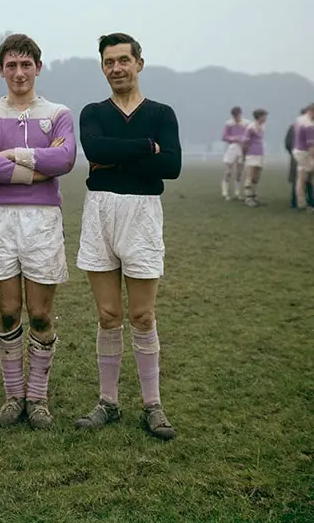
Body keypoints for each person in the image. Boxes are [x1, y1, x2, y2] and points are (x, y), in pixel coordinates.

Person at [74, 32, 181, 440]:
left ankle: (153, 405)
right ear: (103, 67)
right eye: (108, 62)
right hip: (99, 211)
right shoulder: (93, 111)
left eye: (123, 60)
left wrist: (117, 155)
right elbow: (93, 149)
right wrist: (145, 148)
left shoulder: (162, 113)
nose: (116, 68)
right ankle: (108, 402)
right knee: (108, 315)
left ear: (139, 62)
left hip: (142, 215)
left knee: (141, 315)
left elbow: (171, 167)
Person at [0, 33, 77, 429]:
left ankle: (38, 398)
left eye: (26, 64)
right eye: (11, 65)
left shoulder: (59, 113)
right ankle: (14, 395)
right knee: (8, 310)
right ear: (1, 70)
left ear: (38, 67)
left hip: (43, 220)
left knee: (40, 313)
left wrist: (15, 155)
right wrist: (38, 168)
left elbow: (66, 158)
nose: (19, 72)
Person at [290, 103, 314, 211]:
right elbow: (311, 146)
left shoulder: (299, 120)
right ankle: (308, 203)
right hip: (304, 153)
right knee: (308, 178)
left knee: (301, 179)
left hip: (297, 151)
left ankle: (301, 202)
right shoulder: (309, 125)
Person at [240, 109, 268, 207]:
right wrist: (244, 155)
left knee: (257, 176)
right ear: (259, 117)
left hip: (260, 154)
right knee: (250, 176)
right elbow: (244, 142)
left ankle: (254, 196)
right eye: (264, 116)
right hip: (251, 154)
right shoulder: (251, 127)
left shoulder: (262, 127)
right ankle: (248, 198)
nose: (265, 118)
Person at [220, 106, 247, 200]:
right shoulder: (229, 124)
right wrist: (236, 138)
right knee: (228, 171)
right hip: (232, 148)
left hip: (242, 148)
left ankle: (237, 192)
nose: (236, 117)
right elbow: (224, 137)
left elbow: (248, 136)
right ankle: (225, 191)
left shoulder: (246, 123)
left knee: (239, 172)